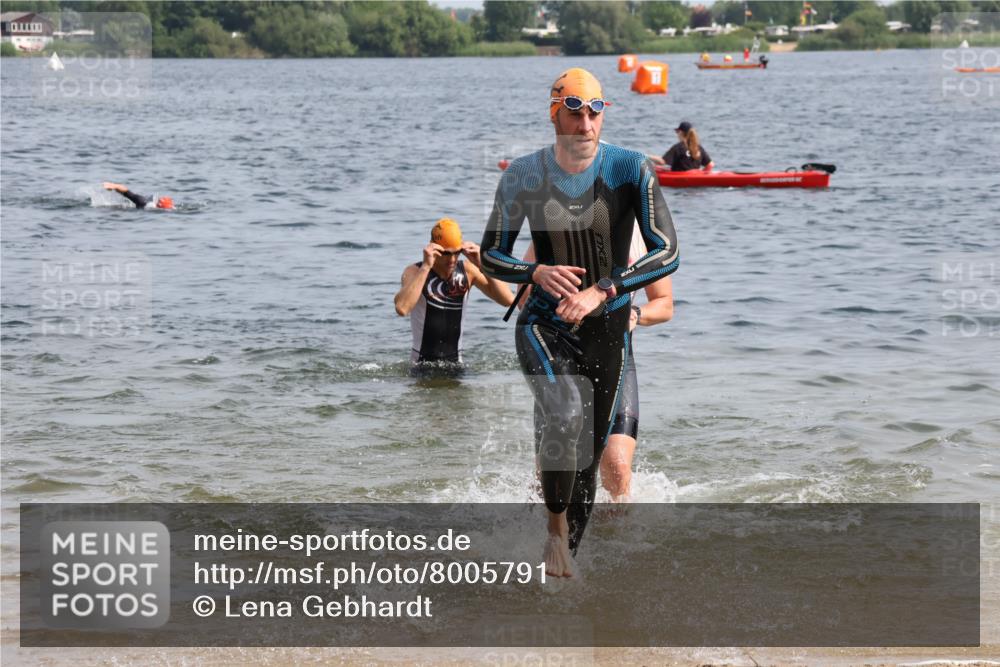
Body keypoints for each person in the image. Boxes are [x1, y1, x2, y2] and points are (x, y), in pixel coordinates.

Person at [479, 68, 679, 577]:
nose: (586, 122)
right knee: (567, 410)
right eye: (574, 110)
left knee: (590, 466)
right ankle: (552, 532)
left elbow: (668, 251)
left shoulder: (632, 169)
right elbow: (491, 255)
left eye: (595, 110)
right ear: (554, 113)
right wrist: (536, 272)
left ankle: (563, 578)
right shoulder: (523, 175)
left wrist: (604, 290)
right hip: (544, 324)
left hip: (608, 327)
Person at [521, 228, 675, 504]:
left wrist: (635, 314)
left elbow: (664, 304)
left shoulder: (645, 235)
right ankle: (544, 538)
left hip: (615, 355)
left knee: (616, 465)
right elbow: (524, 294)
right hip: (560, 355)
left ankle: (614, 544)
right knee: (549, 477)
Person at [395, 218, 513, 371]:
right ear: (433, 248)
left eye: (456, 253)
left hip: (456, 365)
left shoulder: (468, 271)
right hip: (421, 366)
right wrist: (426, 266)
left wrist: (483, 264)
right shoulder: (415, 272)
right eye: (446, 254)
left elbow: (508, 300)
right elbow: (402, 308)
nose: (452, 260)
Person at [649, 121, 714, 172]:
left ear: (681, 132)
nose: (677, 134)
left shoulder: (678, 147)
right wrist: (701, 175)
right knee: (657, 167)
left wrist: (647, 156)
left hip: (679, 180)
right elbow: (710, 164)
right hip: (694, 177)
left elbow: (662, 162)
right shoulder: (698, 147)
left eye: (677, 131)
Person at [102, 182, 174, 210]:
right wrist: (114, 186)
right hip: (144, 201)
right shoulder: (143, 203)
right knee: (129, 195)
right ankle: (114, 186)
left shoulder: (171, 208)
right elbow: (127, 192)